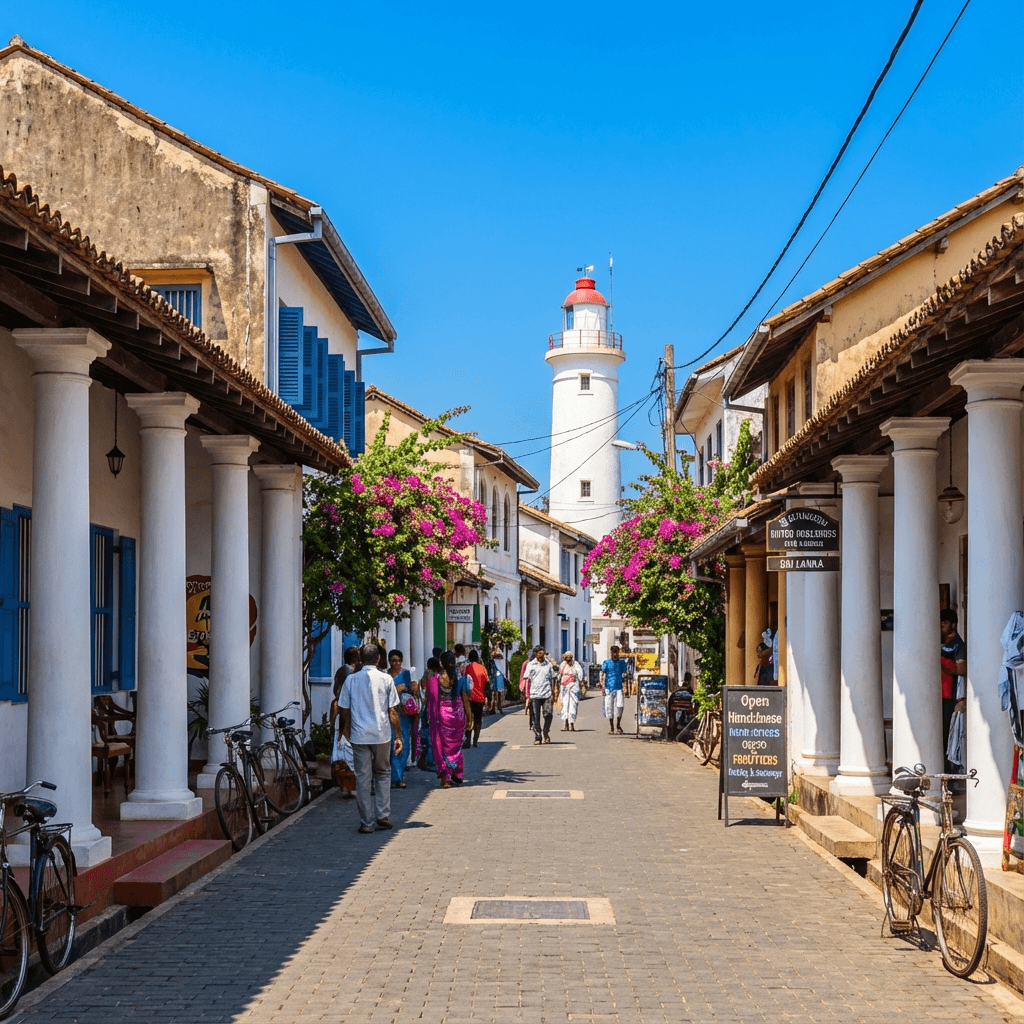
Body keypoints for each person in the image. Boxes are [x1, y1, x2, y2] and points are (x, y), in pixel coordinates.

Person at [338, 643, 402, 834]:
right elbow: (393, 711)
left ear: (360, 659)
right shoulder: (386, 679)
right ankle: (382, 814)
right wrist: (398, 735)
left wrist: (345, 731)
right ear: (378, 659)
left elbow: (344, 709)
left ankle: (366, 822)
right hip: (381, 734)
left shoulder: (351, 680)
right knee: (383, 773)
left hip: (359, 736)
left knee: (363, 778)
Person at [425, 651, 472, 787]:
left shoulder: (436, 679)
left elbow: (430, 700)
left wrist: (428, 716)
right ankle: (457, 772)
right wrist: (470, 718)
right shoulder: (460, 678)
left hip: (442, 714)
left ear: (441, 663)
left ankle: (446, 777)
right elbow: (465, 698)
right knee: (456, 747)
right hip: (458, 714)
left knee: (443, 747)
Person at [940, 608, 967, 773]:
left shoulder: (958, 644)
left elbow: (961, 669)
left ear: (953, 625)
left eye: (945, 623)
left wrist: (942, 665)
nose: (942, 626)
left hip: (951, 695)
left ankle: (948, 774)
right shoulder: (945, 643)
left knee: (947, 735)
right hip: (942, 694)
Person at [387, 648, 418, 789]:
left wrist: (409, 688)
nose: (396, 663)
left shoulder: (406, 674)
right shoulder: (385, 676)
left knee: (403, 743)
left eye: (398, 661)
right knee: (391, 743)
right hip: (390, 713)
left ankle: (398, 777)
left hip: (404, 713)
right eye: (393, 661)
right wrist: (395, 689)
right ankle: (392, 776)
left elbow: (413, 691)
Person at [525, 648, 556, 744]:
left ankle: (546, 731)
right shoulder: (531, 665)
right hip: (535, 694)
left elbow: (553, 678)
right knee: (535, 716)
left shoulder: (548, 664)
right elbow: (527, 680)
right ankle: (538, 736)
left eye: (542, 654)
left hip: (547, 694)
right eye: (539, 653)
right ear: (535, 654)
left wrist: (554, 691)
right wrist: (527, 695)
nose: (541, 656)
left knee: (548, 714)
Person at [464, 649, 489, 748]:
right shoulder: (482, 668)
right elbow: (486, 683)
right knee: (478, 719)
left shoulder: (467, 668)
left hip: (469, 698)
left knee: (469, 718)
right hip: (480, 698)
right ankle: (475, 740)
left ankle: (468, 740)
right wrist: (486, 696)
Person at [601, 646, 626, 734]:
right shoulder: (606, 663)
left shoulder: (622, 663)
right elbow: (603, 673)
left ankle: (618, 724)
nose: (615, 654)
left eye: (616, 652)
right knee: (609, 707)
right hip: (609, 687)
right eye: (613, 653)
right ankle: (611, 727)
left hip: (619, 687)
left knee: (620, 706)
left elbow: (625, 672)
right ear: (611, 653)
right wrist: (602, 685)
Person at [558, 652, 584, 731]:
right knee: (564, 705)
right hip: (564, 688)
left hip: (573, 687)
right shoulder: (563, 664)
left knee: (573, 706)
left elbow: (580, 675)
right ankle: (565, 724)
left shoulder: (576, 665)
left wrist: (581, 683)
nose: (568, 659)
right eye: (567, 658)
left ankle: (571, 725)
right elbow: (560, 675)